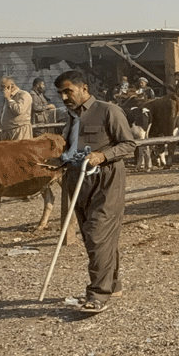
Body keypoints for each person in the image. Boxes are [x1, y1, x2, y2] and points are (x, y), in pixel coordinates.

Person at [54, 69, 136, 314]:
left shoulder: (108, 110)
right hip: (78, 181)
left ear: (84, 89)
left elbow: (129, 145)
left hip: (106, 180)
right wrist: (59, 160)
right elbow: (72, 148)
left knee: (98, 233)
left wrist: (102, 155)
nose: (64, 97)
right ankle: (113, 284)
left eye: (68, 91)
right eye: (60, 93)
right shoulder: (70, 117)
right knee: (94, 235)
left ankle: (97, 295)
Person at [0, 77, 34, 141]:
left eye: (3, 86)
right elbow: (0, 116)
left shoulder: (24, 95)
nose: (1, 89)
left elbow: (19, 110)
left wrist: (8, 99)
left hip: (19, 133)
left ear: (10, 86)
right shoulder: (6, 99)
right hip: (6, 134)